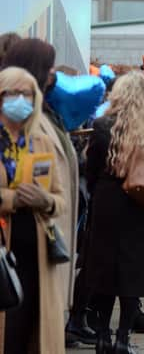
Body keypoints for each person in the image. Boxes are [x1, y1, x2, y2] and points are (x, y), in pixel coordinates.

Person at [84, 71, 144, 352]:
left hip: (107, 206)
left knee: (103, 273)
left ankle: (101, 336)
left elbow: (91, 171)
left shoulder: (102, 126)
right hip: (143, 208)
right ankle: (123, 338)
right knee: (132, 276)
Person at [0, 67, 67, 353]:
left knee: (29, 330)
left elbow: (60, 198)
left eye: (25, 94)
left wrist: (45, 200)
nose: (19, 100)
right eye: (12, 93)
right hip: (3, 249)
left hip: (36, 255)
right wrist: (12, 199)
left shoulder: (41, 140)